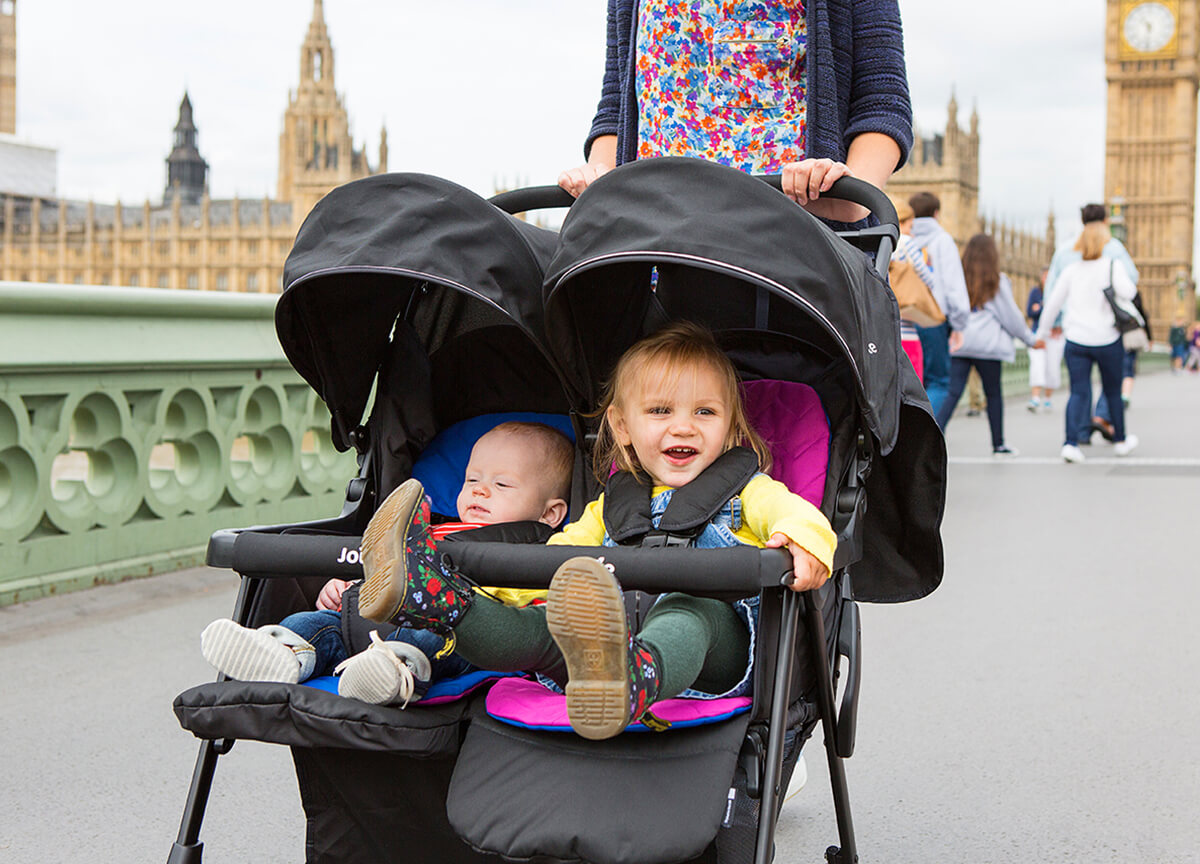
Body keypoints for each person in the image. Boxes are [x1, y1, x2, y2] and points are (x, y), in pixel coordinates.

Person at [357, 322, 836, 740]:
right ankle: (441, 602)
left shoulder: (748, 492)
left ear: (730, 428)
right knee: (542, 623)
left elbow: (798, 514)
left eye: (704, 413)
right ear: (622, 427)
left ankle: (634, 678)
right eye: (661, 411)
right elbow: (550, 562)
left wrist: (804, 543)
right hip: (600, 653)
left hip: (710, 654)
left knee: (688, 609)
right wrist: (489, 587)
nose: (684, 427)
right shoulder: (611, 507)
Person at [198, 422, 574, 705]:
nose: (479, 489)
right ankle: (280, 652)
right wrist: (347, 588)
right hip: (369, 620)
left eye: (502, 485)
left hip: (452, 631)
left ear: (550, 513)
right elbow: (384, 566)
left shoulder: (540, 548)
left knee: (429, 639)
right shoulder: (428, 527)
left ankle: (392, 672)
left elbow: (533, 620)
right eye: (471, 478)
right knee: (315, 623)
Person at [557, 1, 913, 225]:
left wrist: (852, 198)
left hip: (792, 251)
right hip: (652, 245)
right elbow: (618, 107)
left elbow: (881, 104)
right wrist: (598, 175)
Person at [1034, 221, 1139, 462]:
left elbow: (1052, 305)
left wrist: (1041, 334)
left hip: (1077, 340)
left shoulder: (1071, 270)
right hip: (1107, 339)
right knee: (1112, 391)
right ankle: (1120, 441)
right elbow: (1129, 292)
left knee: (1078, 392)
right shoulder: (1112, 265)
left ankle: (1070, 444)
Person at [934, 234, 1035, 455]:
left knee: (952, 392)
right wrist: (1030, 339)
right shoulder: (997, 281)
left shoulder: (959, 278)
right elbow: (1011, 318)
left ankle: (934, 436)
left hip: (960, 343)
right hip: (988, 347)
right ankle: (998, 444)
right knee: (993, 394)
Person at [908, 191, 970, 417]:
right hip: (933, 319)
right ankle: (925, 434)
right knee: (938, 382)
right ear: (936, 213)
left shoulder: (901, 239)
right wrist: (959, 324)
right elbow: (953, 287)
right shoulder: (943, 241)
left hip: (903, 320)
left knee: (909, 383)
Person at [892, 201, 932, 379]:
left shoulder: (883, 240)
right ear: (901, 222)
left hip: (887, 330)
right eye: (910, 226)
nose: (912, 231)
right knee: (912, 383)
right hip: (907, 332)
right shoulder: (906, 242)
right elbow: (925, 274)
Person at [1025, 267, 1064, 413]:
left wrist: (1040, 308)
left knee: (1052, 367)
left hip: (1055, 336)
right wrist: (1044, 308)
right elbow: (1030, 312)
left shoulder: (1059, 292)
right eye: (1045, 277)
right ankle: (1035, 398)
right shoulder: (1035, 292)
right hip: (1038, 334)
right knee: (1037, 365)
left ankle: (1047, 398)